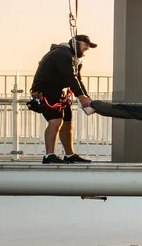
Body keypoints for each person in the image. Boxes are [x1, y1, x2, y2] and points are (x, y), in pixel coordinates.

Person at [28, 34, 96, 164]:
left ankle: (70, 155)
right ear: (76, 43)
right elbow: (70, 77)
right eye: (86, 45)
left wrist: (86, 97)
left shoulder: (71, 57)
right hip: (46, 90)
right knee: (55, 120)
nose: (87, 49)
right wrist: (80, 97)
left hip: (59, 92)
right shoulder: (62, 54)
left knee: (67, 121)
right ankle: (49, 155)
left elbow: (77, 80)